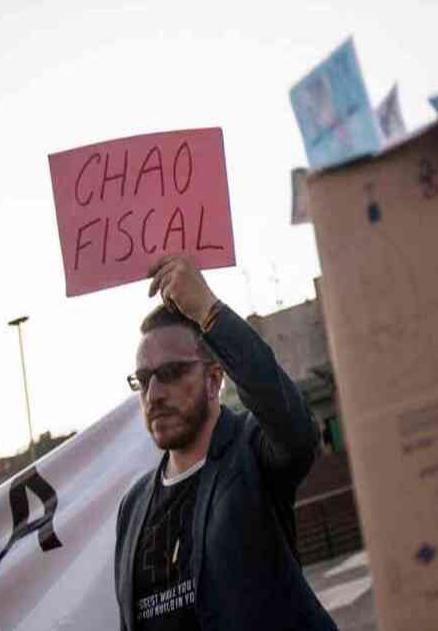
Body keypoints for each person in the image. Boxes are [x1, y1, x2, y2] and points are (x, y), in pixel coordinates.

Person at [114, 254, 338, 631]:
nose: (154, 394)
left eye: (170, 373)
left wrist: (208, 311)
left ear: (214, 379)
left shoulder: (252, 452)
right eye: (144, 378)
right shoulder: (133, 506)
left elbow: (294, 428)